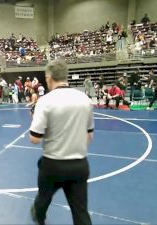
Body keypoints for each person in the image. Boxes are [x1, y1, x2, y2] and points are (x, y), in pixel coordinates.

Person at [29, 59, 93, 225]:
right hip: (79, 164)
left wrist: (37, 120)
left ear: (49, 78)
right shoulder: (84, 99)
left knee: (42, 200)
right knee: (81, 212)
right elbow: (89, 136)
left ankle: (40, 217)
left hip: (53, 165)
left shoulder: (45, 101)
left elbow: (35, 139)